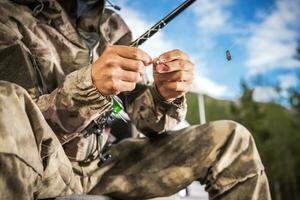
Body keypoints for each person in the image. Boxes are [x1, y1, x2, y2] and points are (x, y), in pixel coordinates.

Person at [0, 0, 271, 199]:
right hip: (46, 168)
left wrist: (164, 95)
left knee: (233, 139)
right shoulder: (7, 17)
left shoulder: (113, 27)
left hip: (104, 167)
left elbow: (147, 121)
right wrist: (89, 88)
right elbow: (15, 122)